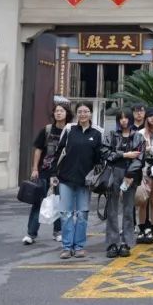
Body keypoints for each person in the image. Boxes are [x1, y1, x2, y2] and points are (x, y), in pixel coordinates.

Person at [53, 103, 104, 259]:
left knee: (82, 214)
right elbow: (58, 152)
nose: (83, 114)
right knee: (66, 214)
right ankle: (67, 247)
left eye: (86, 111)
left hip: (85, 181)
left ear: (91, 113)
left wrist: (96, 177)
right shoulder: (70, 130)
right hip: (66, 178)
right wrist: (54, 174)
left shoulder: (97, 133)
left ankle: (79, 246)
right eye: (80, 111)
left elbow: (99, 159)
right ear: (76, 114)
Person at [24, 101, 68, 245]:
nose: (58, 113)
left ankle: (58, 231)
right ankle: (31, 234)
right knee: (39, 202)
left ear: (67, 113)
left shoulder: (70, 131)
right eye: (56, 111)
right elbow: (38, 150)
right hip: (45, 171)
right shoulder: (47, 130)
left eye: (61, 111)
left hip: (62, 173)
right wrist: (35, 168)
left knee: (60, 202)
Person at [103, 108, 144, 258]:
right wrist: (125, 154)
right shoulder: (111, 135)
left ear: (130, 119)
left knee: (128, 210)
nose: (124, 120)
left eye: (126, 117)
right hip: (113, 173)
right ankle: (112, 243)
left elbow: (139, 158)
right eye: (121, 118)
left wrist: (129, 174)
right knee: (112, 210)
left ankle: (126, 243)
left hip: (130, 176)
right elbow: (106, 153)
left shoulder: (138, 136)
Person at [136, 107, 153, 243]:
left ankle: (152, 230)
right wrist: (151, 149)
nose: (152, 118)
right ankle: (141, 229)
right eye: (150, 116)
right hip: (144, 168)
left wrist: (150, 149)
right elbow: (137, 150)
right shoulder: (141, 133)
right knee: (143, 200)